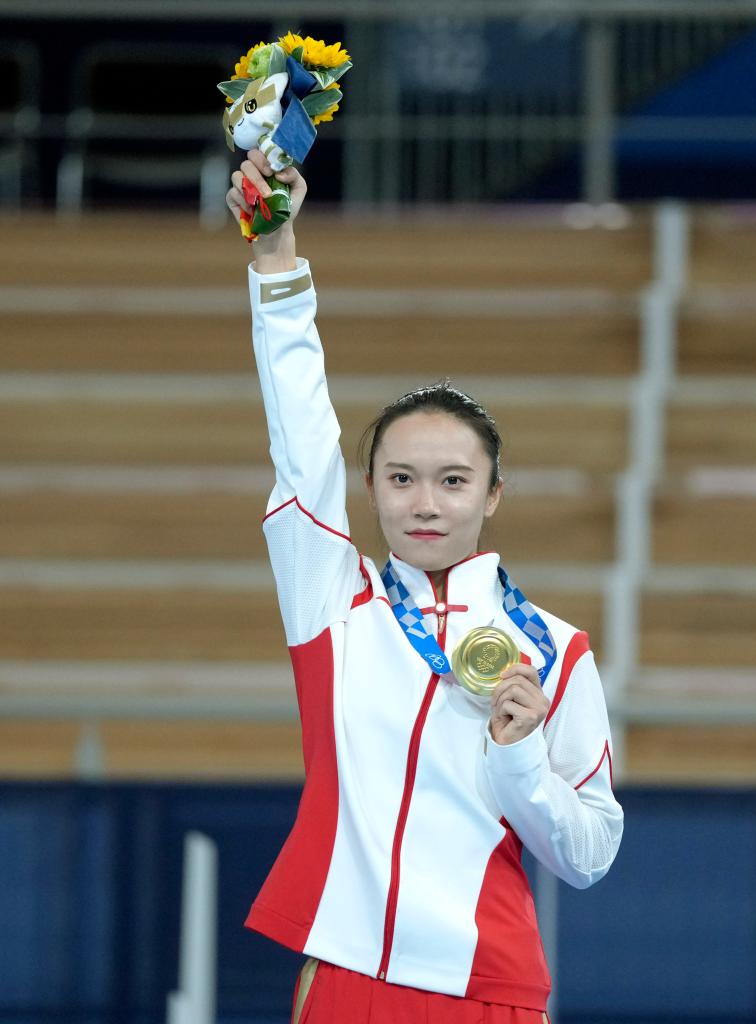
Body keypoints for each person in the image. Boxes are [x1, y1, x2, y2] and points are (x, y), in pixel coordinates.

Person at [226, 150, 624, 1024]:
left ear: (493, 494)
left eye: (453, 481)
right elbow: (301, 436)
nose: (425, 503)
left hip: (489, 988)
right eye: (400, 478)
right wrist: (276, 258)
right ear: (369, 489)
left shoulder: (555, 650)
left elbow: (590, 854)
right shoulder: (333, 601)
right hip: (348, 976)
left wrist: (519, 755)